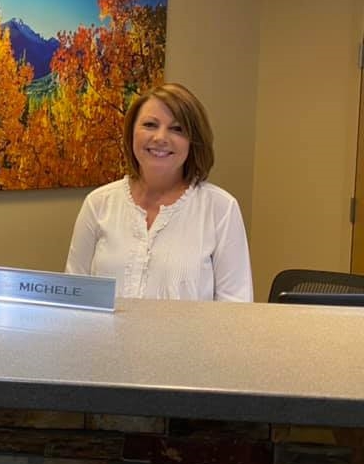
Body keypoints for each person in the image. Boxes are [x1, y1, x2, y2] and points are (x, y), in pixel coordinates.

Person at [65, 82, 253, 301]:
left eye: (177, 129)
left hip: (189, 337)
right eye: (150, 125)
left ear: (194, 141)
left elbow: (236, 308)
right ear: (131, 133)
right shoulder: (98, 204)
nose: (161, 138)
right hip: (104, 336)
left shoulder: (220, 209)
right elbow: (73, 297)